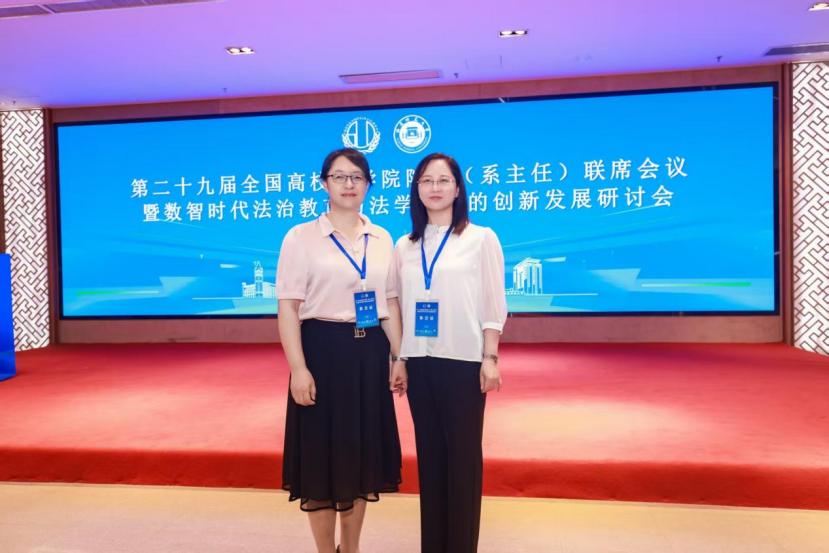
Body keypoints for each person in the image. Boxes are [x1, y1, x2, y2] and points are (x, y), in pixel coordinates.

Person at [277, 147, 407, 553]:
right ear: (324, 184)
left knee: (360, 458)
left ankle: (350, 548)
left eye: (357, 177)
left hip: (368, 356)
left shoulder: (382, 238)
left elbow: (389, 303)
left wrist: (399, 356)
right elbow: (288, 307)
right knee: (320, 458)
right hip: (321, 352)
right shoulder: (301, 237)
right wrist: (298, 368)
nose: (348, 184)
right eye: (339, 176)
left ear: (368, 184)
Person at [391, 152, 508, 553]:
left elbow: (493, 303)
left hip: (464, 362)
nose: (435, 188)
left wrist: (490, 358)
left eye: (443, 180)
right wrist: (399, 358)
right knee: (430, 460)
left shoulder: (481, 238)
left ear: (458, 189)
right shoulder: (405, 245)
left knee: (462, 461)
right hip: (420, 364)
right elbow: (397, 305)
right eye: (426, 181)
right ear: (417, 189)